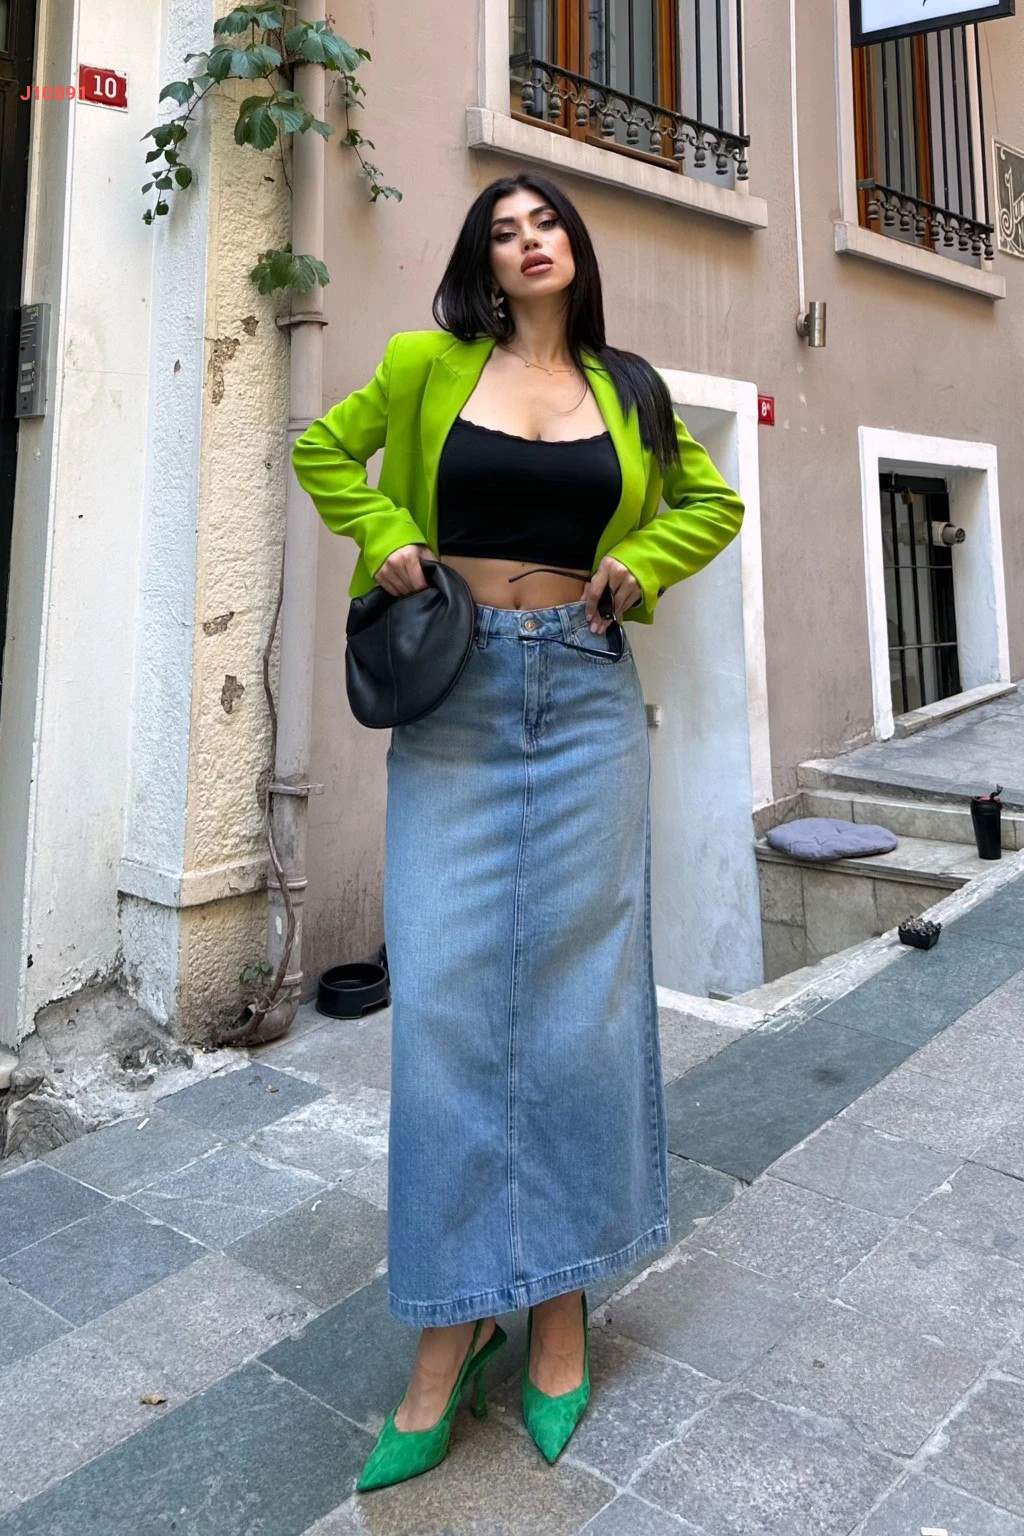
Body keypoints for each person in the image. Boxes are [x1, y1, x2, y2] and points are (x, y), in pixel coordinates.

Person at [290, 170, 745, 1493]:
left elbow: (710, 505)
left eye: (545, 223)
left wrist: (643, 564)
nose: (529, 241)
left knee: (578, 1006)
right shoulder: (426, 365)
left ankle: (558, 1307)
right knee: (444, 1007)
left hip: (587, 693)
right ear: (482, 263)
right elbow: (325, 452)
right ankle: (450, 1327)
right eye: (504, 230)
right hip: (460, 697)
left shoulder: (631, 391)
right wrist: (386, 533)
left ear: (575, 248)